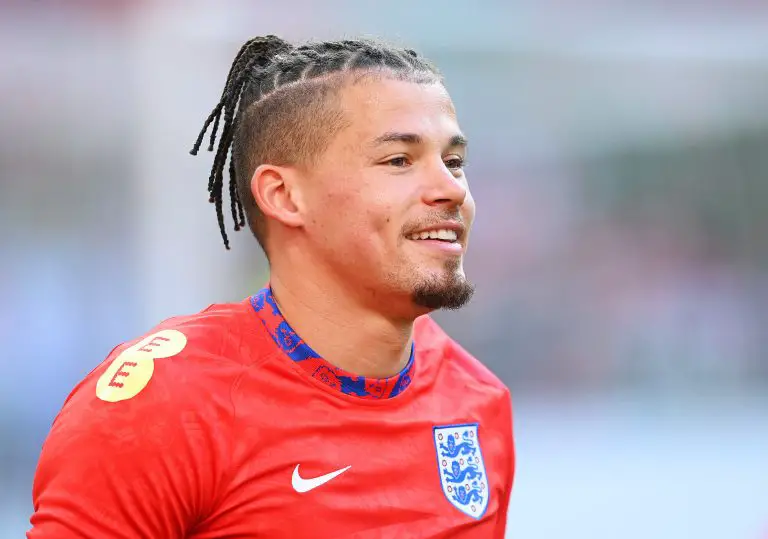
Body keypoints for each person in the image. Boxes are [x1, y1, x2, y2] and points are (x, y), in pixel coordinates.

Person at [28, 35, 515, 538]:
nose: (452, 188)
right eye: (398, 160)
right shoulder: (161, 408)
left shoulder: (476, 398)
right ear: (283, 196)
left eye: (454, 162)